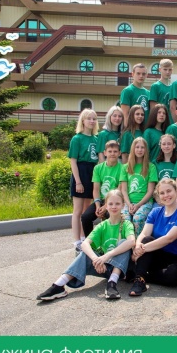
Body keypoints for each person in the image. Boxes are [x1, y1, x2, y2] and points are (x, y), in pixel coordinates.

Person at [37, 189, 135, 301]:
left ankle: (111, 284)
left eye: (117, 203)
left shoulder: (126, 224)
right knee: (85, 253)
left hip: (122, 268)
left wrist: (106, 256)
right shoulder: (102, 226)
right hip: (104, 267)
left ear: (123, 205)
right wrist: (95, 259)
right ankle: (58, 285)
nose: (114, 206)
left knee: (124, 243)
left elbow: (131, 241)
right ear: (106, 206)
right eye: (111, 204)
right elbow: (85, 244)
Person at [129, 179, 177, 296]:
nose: (166, 195)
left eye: (169, 191)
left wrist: (142, 249)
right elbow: (144, 233)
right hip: (157, 256)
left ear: (176, 191)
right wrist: (137, 246)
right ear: (158, 196)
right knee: (146, 239)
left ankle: (143, 275)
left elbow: (169, 238)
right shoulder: (155, 212)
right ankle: (139, 280)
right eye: (162, 193)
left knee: (174, 275)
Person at [69, 108, 99, 253]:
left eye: (94, 119)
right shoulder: (77, 138)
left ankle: (83, 238)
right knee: (78, 210)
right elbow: (73, 161)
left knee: (87, 210)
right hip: (80, 172)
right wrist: (78, 182)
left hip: (92, 173)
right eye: (89, 118)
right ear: (83, 121)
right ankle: (76, 241)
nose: (91, 121)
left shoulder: (96, 139)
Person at [81, 140, 123, 238]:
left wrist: (106, 207)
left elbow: (119, 189)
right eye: (110, 151)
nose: (112, 154)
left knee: (110, 216)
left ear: (119, 153)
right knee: (85, 217)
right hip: (100, 201)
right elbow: (96, 189)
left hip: (114, 201)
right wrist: (97, 206)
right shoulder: (98, 168)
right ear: (105, 153)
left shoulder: (122, 168)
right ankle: (90, 243)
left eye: (115, 151)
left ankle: (111, 241)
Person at [120, 137, 158, 235]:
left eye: (142, 147)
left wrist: (138, 205)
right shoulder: (125, 167)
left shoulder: (151, 167)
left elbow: (150, 191)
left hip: (145, 202)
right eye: (137, 147)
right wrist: (129, 204)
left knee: (137, 219)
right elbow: (124, 190)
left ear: (146, 150)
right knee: (125, 219)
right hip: (128, 202)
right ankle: (126, 242)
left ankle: (138, 242)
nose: (140, 150)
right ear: (133, 149)